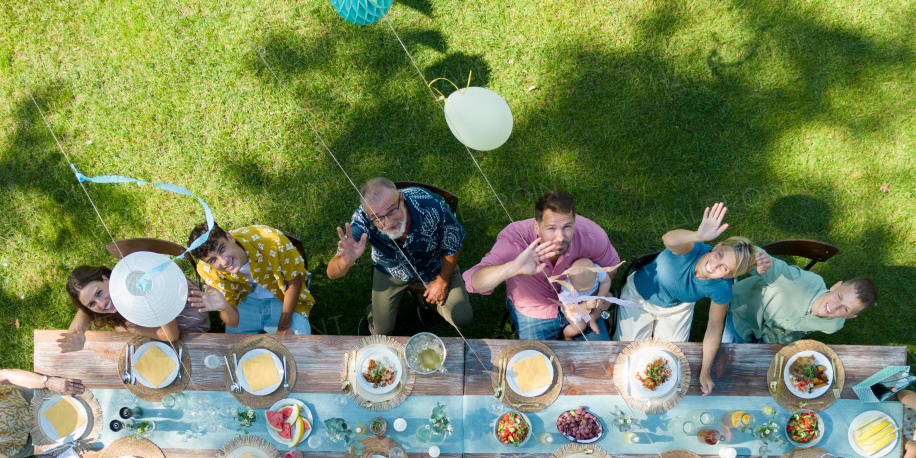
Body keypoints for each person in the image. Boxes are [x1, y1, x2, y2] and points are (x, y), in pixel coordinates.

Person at [614, 202, 770, 394]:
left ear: (729, 276)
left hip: (677, 307)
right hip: (639, 297)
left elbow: (714, 327)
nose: (714, 266)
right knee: (628, 357)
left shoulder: (722, 288)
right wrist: (697, 236)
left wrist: (705, 372)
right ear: (717, 245)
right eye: (719, 255)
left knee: (669, 361)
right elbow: (668, 239)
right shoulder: (691, 249)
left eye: (724, 269)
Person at [465, 190, 619, 341]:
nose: (560, 237)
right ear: (536, 226)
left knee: (602, 362)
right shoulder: (515, 239)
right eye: (551, 228)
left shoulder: (591, 235)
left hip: (582, 306)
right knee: (536, 362)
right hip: (534, 313)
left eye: (567, 227)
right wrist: (513, 267)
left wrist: (593, 304)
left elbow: (610, 267)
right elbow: (474, 282)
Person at [329, 179, 472, 336]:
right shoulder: (362, 219)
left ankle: (422, 302)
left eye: (392, 211)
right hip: (390, 270)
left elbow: (453, 243)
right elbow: (332, 273)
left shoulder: (433, 205)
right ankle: (374, 311)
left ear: (401, 199)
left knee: (462, 318)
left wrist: (442, 282)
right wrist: (345, 261)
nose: (388, 222)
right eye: (378, 218)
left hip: (432, 265)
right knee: (381, 332)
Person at [187, 223, 314, 335]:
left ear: (229, 237)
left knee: (299, 347)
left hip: (283, 298)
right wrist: (225, 306)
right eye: (213, 260)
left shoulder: (273, 241)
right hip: (245, 302)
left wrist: (284, 325)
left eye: (222, 249)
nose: (224, 262)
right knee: (233, 350)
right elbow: (234, 322)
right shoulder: (207, 270)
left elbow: (295, 283)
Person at [724, 254, 878, 344]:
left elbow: (803, 326)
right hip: (738, 313)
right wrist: (728, 255)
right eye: (839, 296)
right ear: (836, 286)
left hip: (768, 336)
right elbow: (755, 257)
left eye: (845, 308)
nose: (834, 306)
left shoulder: (833, 325)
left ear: (848, 316)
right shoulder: (797, 281)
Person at [58, 264, 208, 353]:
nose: (102, 304)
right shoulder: (111, 292)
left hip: (189, 316)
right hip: (165, 318)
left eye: (99, 293)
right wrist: (76, 333)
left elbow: (171, 336)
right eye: (92, 303)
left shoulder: (136, 287)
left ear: (105, 279)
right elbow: (84, 312)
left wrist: (130, 328)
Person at [551, 259, 609, 339]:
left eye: (588, 288)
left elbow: (606, 282)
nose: (585, 291)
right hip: (574, 307)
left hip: (592, 298)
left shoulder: (598, 270)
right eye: (580, 289)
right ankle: (567, 335)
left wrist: (600, 296)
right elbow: (569, 307)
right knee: (579, 327)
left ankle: (592, 318)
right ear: (569, 276)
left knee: (609, 297)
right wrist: (585, 305)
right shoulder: (567, 288)